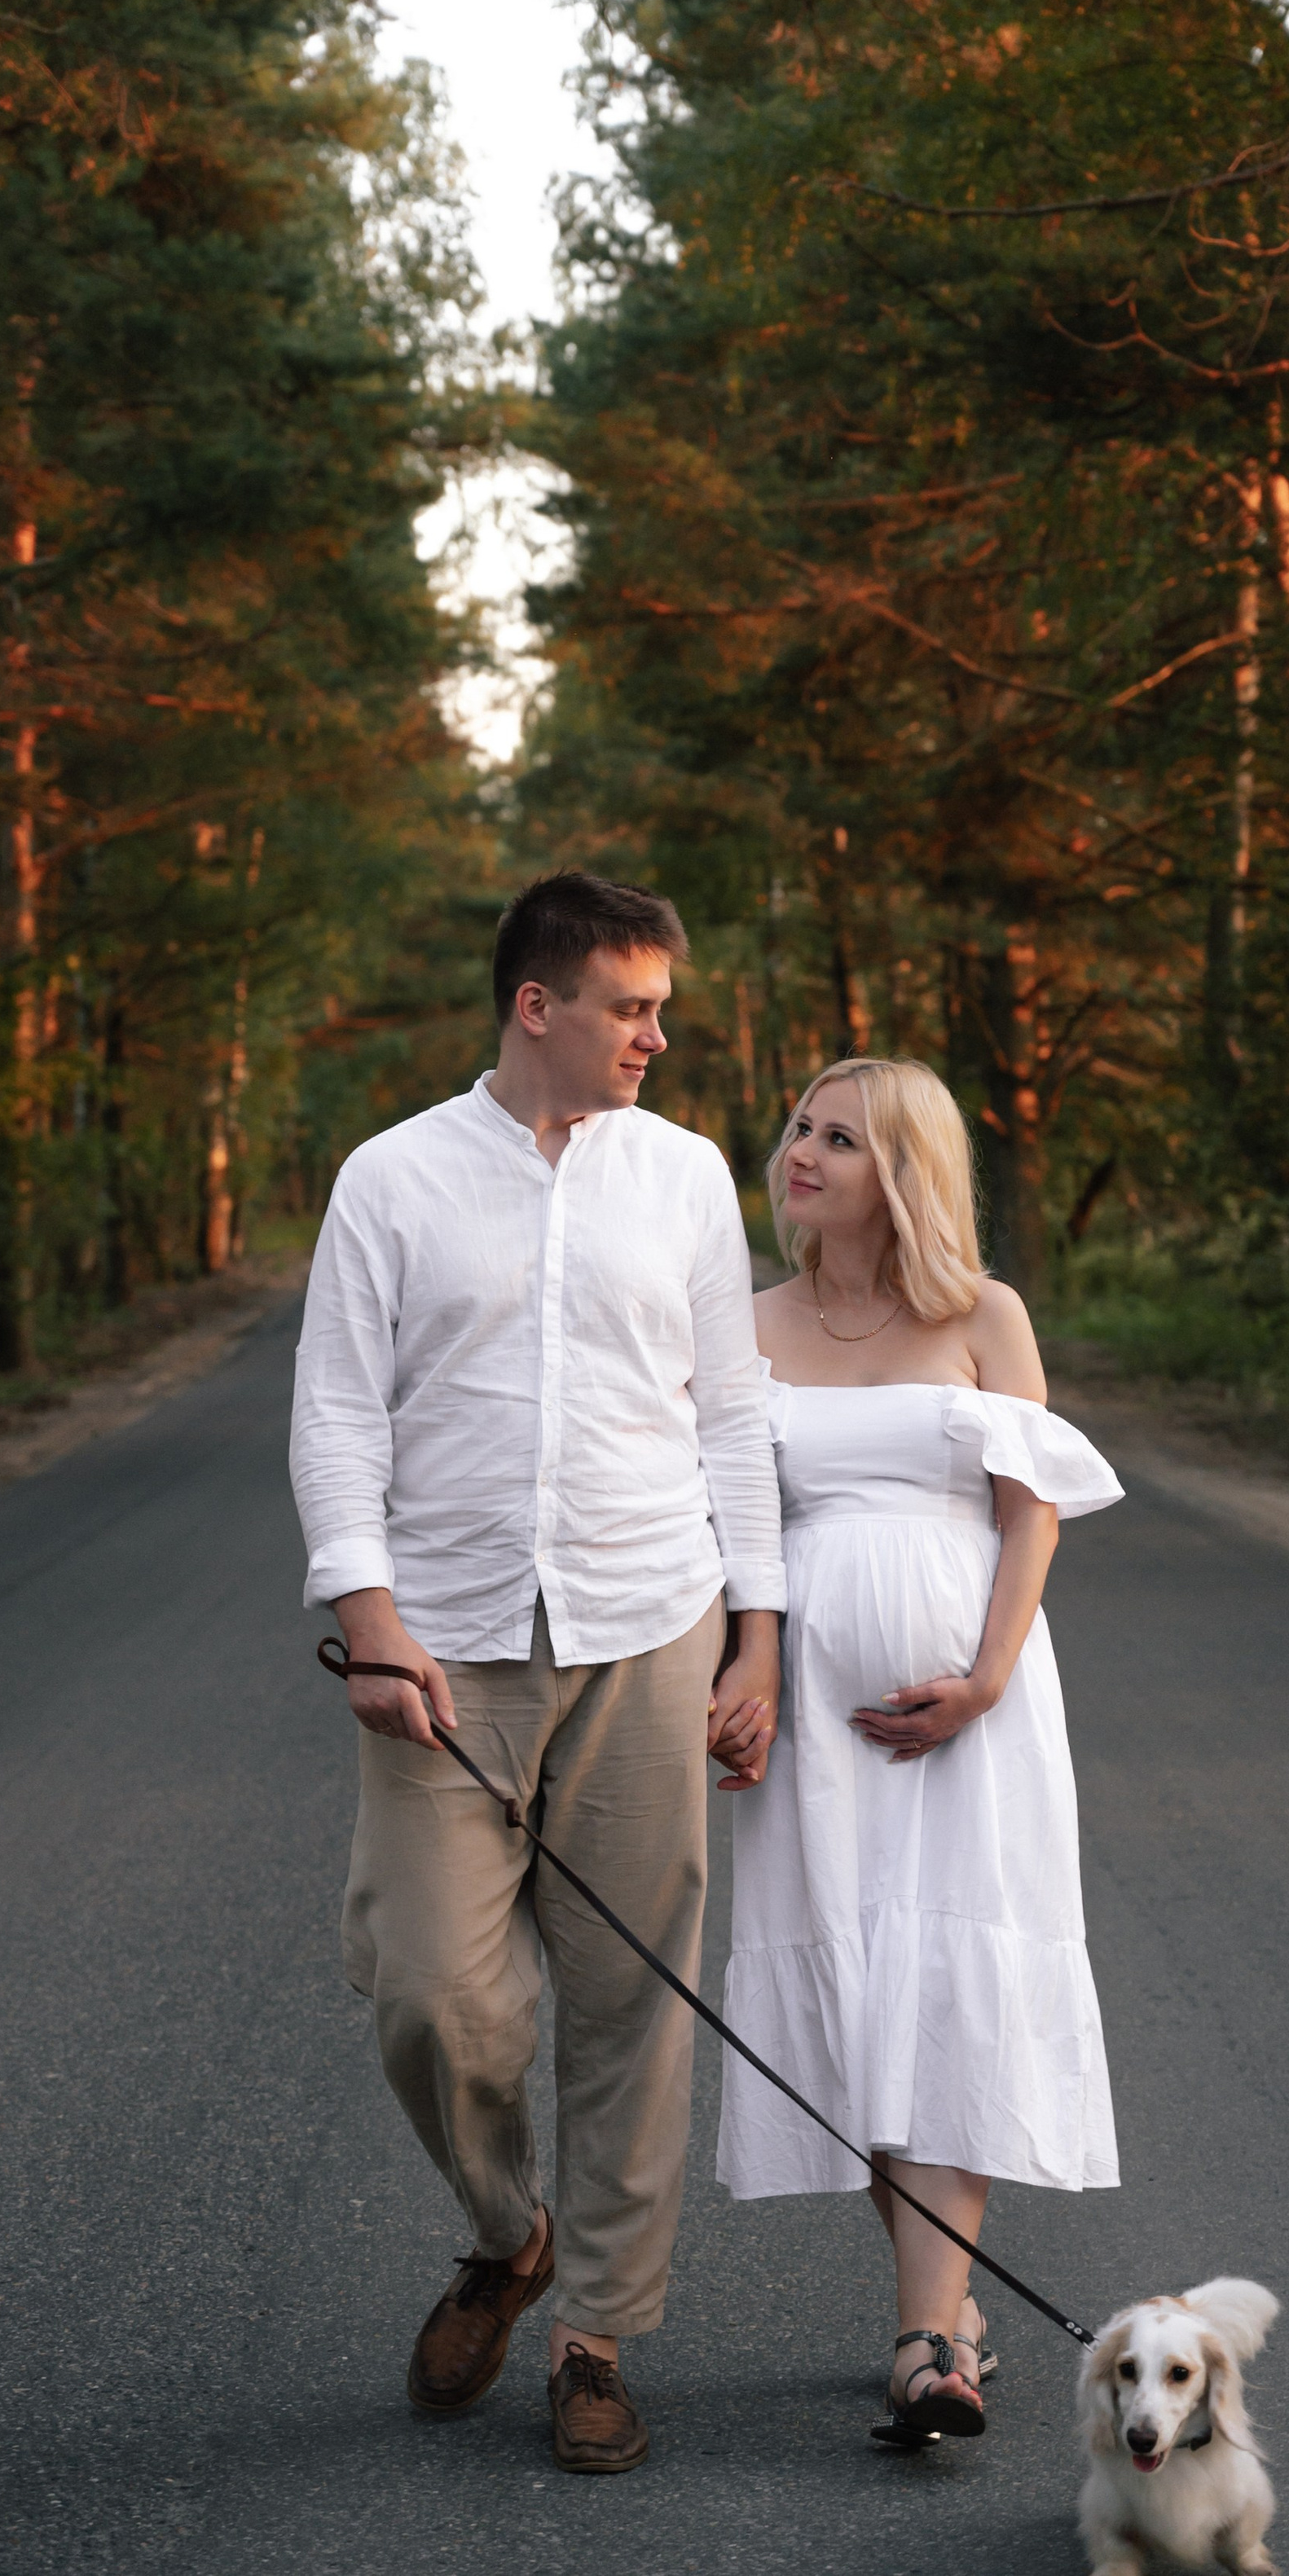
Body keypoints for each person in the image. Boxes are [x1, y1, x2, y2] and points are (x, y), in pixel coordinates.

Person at [290, 870, 785, 2476]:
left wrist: (757, 1633)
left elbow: (730, 1415)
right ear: (536, 1005)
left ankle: (596, 2334)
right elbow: (337, 1409)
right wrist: (367, 1614)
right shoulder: (392, 1177)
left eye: (659, 1009)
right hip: (441, 1648)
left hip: (650, 1623)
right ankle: (511, 2234)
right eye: (630, 1007)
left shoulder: (685, 1175)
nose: (654, 1036)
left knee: (632, 2001)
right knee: (434, 1995)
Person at [718, 1057, 1123, 2446]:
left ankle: (925, 2339)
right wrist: (740, 1674)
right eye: (800, 1128)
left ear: (904, 1171)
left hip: (970, 1711)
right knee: (858, 1990)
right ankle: (942, 2322)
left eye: (841, 1138)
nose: (803, 1152)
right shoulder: (746, 1325)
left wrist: (985, 1681)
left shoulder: (982, 1314)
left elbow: (1031, 1510)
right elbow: (731, 1521)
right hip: (813, 1715)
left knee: (948, 1985)